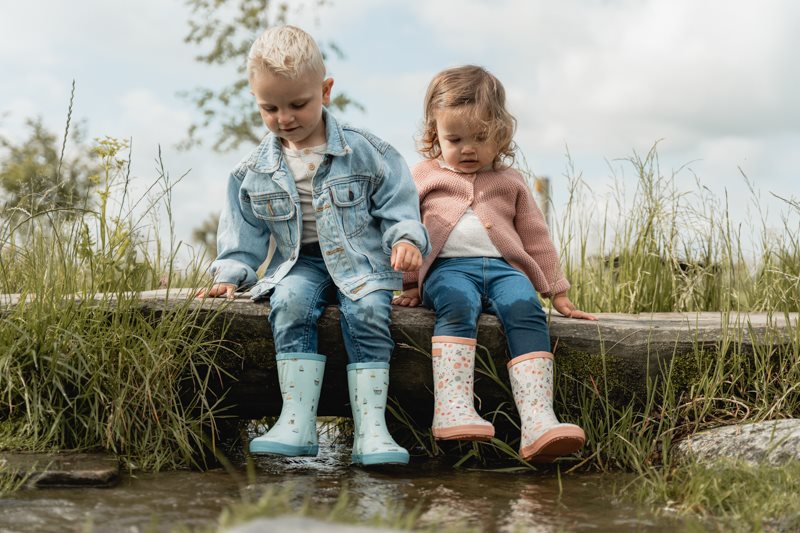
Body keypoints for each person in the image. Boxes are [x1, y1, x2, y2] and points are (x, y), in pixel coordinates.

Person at [196, 25, 430, 466]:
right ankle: (296, 422)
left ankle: (371, 429)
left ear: (325, 90)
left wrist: (404, 239)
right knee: (287, 303)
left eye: (297, 104)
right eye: (270, 108)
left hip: (361, 262)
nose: (285, 118)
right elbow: (244, 234)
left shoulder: (365, 151)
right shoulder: (253, 170)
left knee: (366, 311)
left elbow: (399, 202)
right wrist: (230, 276)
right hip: (298, 263)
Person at [393, 65, 596, 463]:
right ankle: (453, 408)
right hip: (449, 271)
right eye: (455, 139)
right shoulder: (423, 176)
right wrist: (411, 285)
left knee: (525, 308)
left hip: (506, 271)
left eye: (480, 138)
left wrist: (557, 291)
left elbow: (536, 236)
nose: (467, 148)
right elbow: (406, 230)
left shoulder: (511, 180)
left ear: (500, 133)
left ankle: (539, 420)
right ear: (435, 134)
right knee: (456, 304)